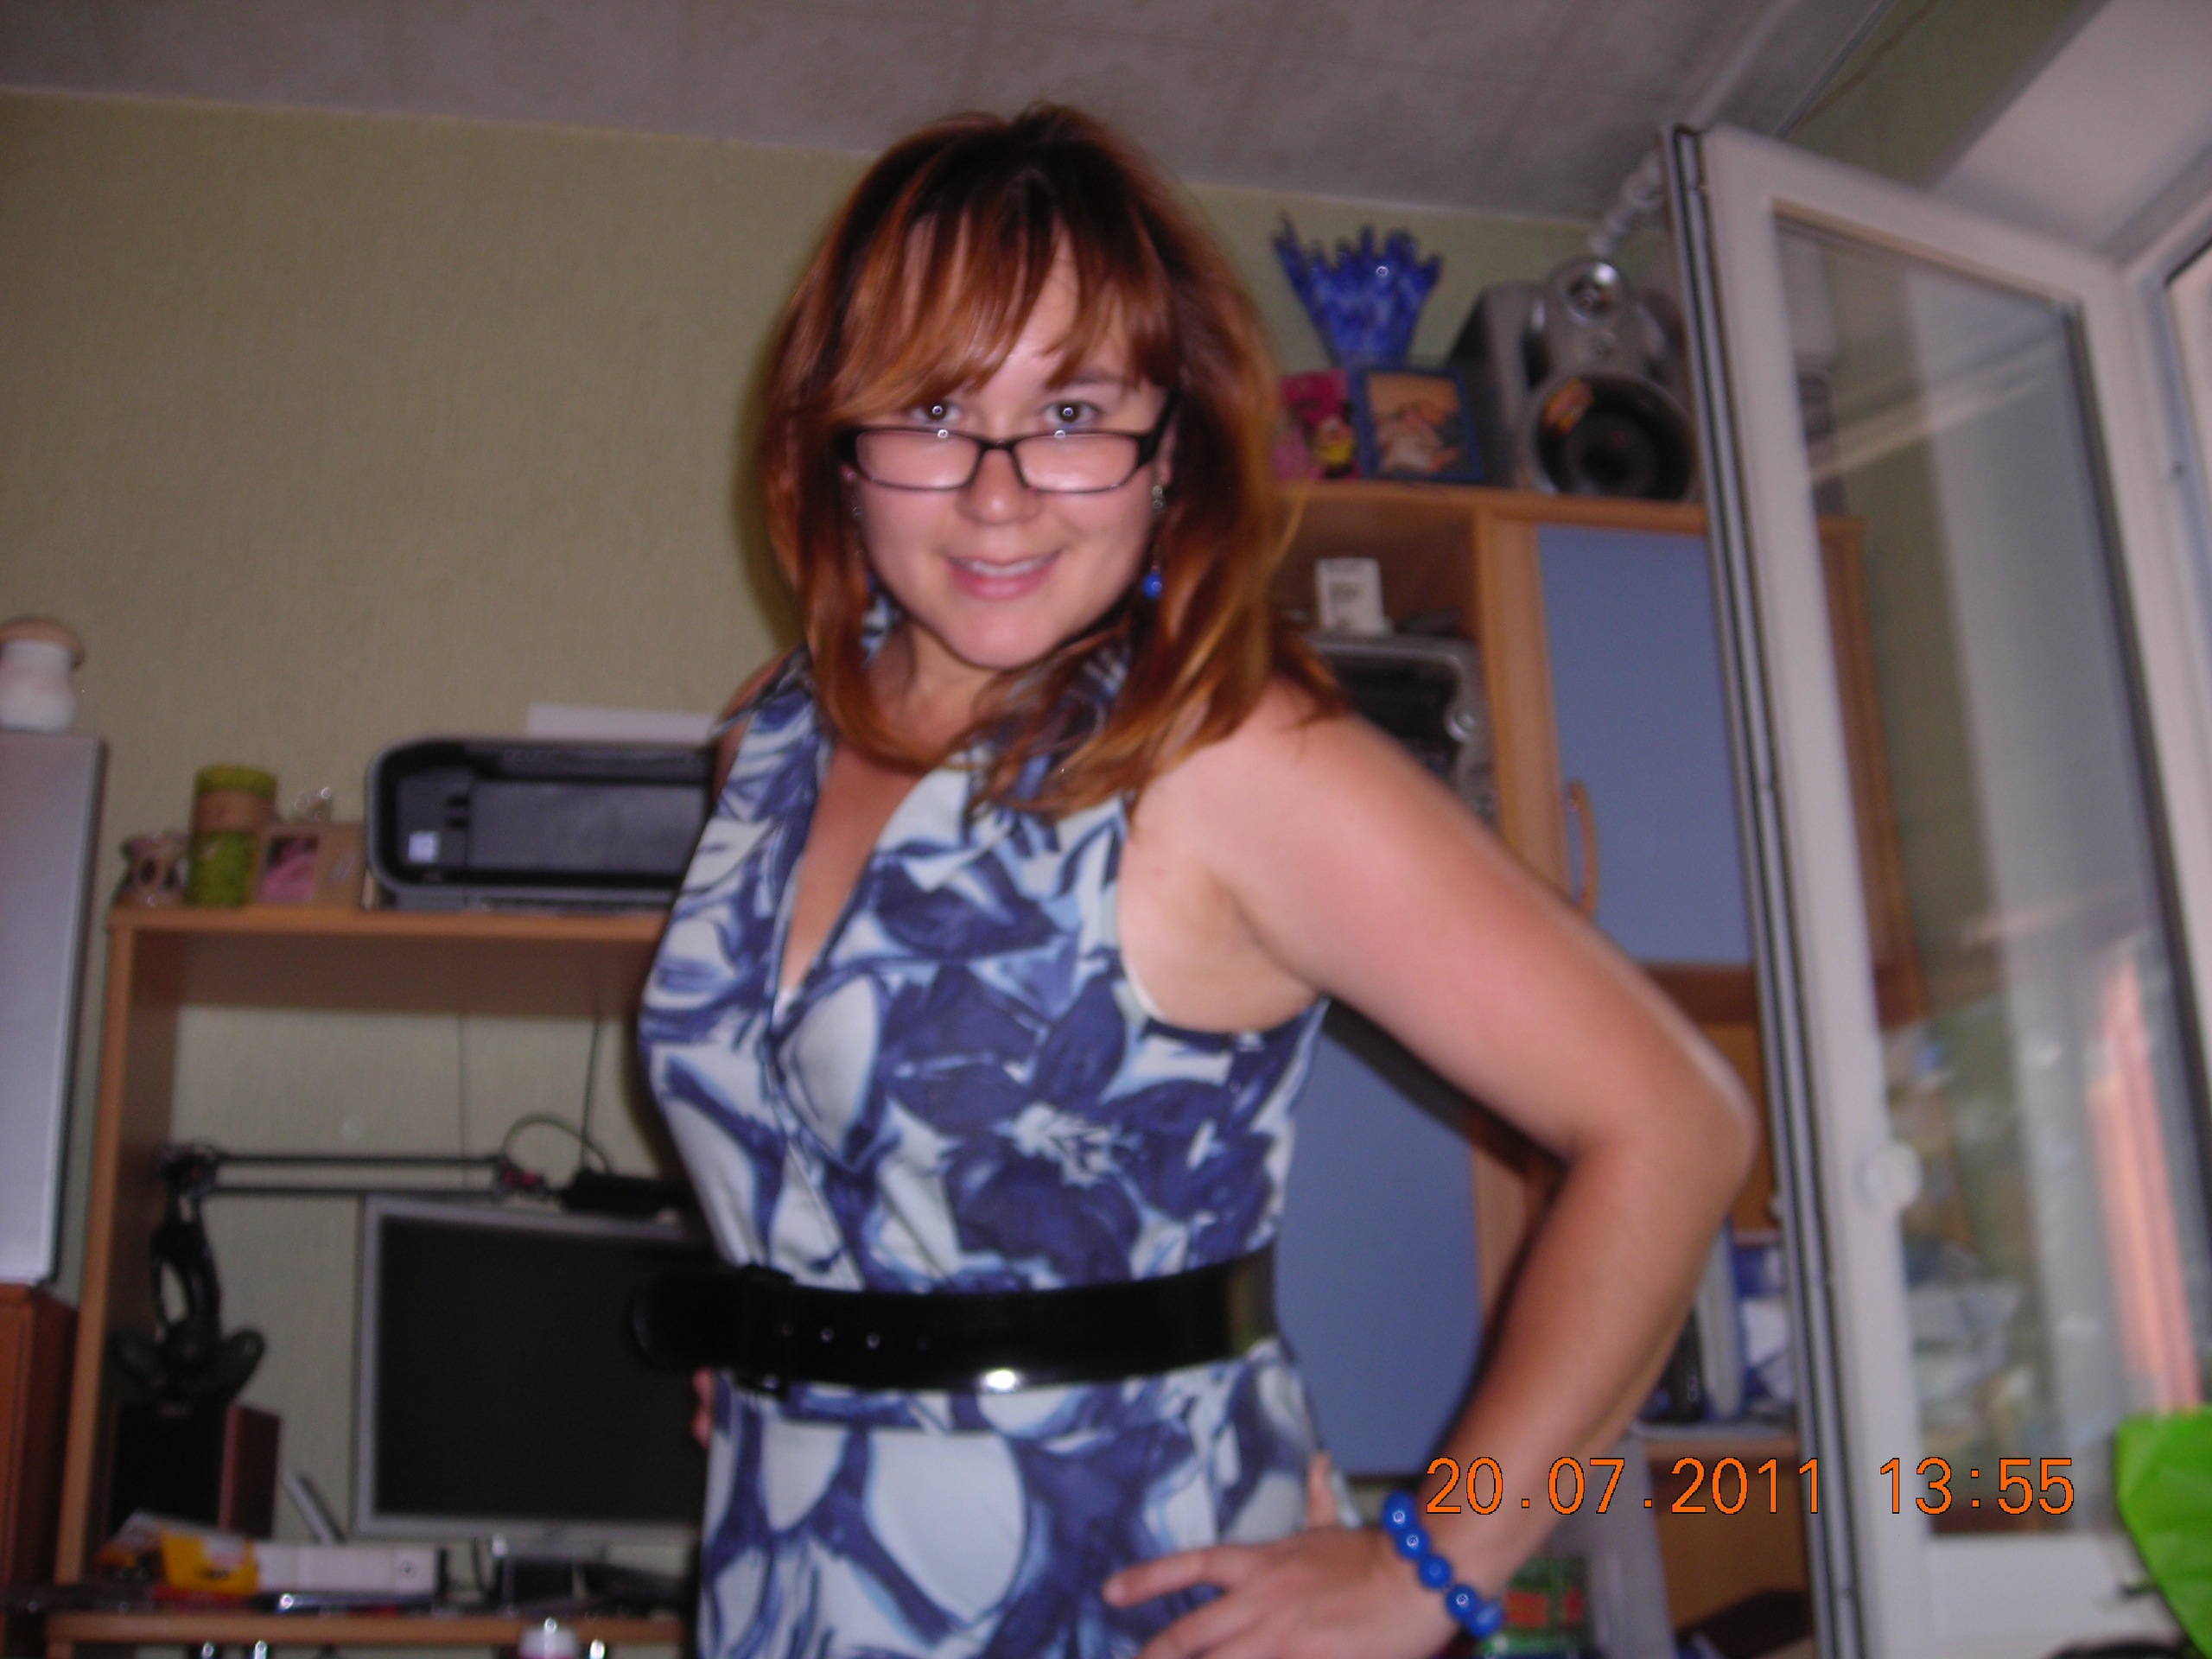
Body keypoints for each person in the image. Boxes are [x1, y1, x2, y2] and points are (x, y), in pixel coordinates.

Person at [636, 104, 1754, 1659]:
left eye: (1074, 411)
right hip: (787, 1572)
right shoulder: (763, 738)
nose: (1001, 492)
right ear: (836, 445)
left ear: (1170, 450)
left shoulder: (1228, 760)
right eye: (934, 409)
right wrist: (802, 1327)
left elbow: (1676, 1123)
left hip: (1120, 1601)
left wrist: (1431, 1573)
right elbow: (817, 1153)